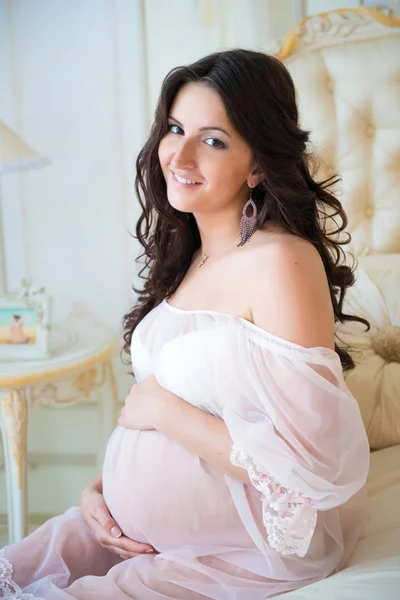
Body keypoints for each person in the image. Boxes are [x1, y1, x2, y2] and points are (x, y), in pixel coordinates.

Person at [0, 48, 370, 599]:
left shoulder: (281, 261)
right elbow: (196, 406)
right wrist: (100, 490)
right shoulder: (188, 255)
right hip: (123, 531)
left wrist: (161, 411)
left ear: (259, 164)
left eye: (214, 140)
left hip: (233, 553)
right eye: (175, 129)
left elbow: (306, 463)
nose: (180, 155)